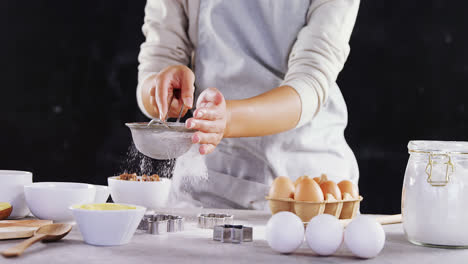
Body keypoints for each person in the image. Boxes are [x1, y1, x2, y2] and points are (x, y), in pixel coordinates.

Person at [136, 0, 360, 209]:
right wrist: (161, 89)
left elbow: (311, 80)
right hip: (209, 184)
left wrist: (228, 120)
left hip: (306, 189)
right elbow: (158, 60)